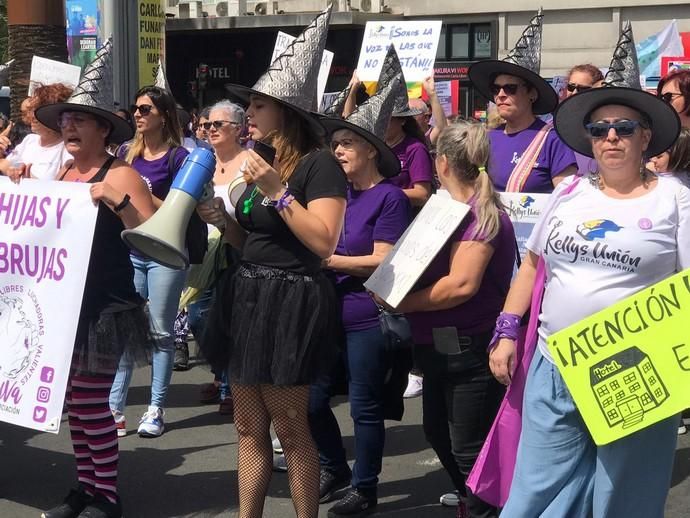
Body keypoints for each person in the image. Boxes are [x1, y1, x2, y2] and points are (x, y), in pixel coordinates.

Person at [489, 22, 686, 517]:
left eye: (624, 129)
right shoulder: (569, 193)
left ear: (646, 138)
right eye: (600, 130)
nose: (611, 138)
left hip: (638, 368)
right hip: (556, 361)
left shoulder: (675, 199)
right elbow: (532, 264)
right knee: (535, 491)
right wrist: (508, 331)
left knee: (623, 495)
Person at [199, 7, 347, 517]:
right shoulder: (262, 162)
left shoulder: (317, 165)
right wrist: (225, 222)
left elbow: (324, 241)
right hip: (249, 292)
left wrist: (278, 191)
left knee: (290, 425)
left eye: (259, 105)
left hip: (293, 297)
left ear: (286, 112)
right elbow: (252, 241)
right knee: (246, 424)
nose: (251, 114)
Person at [34, 40, 155, 518]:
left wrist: (116, 200)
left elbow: (151, 238)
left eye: (78, 119)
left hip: (106, 305)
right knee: (73, 405)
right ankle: (87, 487)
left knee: (88, 403)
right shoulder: (63, 171)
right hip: (67, 305)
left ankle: (105, 494)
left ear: (103, 128)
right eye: (65, 120)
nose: (68, 126)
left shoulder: (121, 174)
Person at [377, 120, 514, 518]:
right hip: (436, 345)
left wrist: (401, 303)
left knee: (469, 450)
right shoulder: (445, 210)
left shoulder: (480, 215)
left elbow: (461, 286)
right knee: (439, 435)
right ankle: (474, 506)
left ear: (442, 164)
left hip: (470, 346)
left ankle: (487, 510)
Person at [311, 75, 411, 516]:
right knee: (311, 400)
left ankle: (365, 487)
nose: (339, 150)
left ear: (372, 150)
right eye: (336, 144)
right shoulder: (333, 194)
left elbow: (380, 259)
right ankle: (335, 467)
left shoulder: (390, 197)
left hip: (364, 313)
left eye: (348, 142)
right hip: (324, 311)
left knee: (364, 406)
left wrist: (328, 261)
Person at [108, 85, 189, 438]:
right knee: (125, 333)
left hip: (165, 255)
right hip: (130, 252)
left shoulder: (179, 158)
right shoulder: (126, 153)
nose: (137, 115)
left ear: (163, 116)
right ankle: (114, 408)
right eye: (135, 109)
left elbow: (179, 212)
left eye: (145, 109)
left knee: (160, 333)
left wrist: (138, 196)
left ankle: (155, 408)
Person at [178, 100, 248, 416]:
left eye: (217, 125)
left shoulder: (251, 163)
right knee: (198, 318)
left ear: (238, 129)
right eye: (206, 125)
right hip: (202, 251)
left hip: (237, 250)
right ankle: (222, 371)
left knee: (231, 320)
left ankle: (229, 384)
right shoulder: (199, 160)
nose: (209, 130)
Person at [468, 9, 577, 193]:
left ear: (532, 94)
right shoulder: (486, 138)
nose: (501, 94)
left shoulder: (552, 139)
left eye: (510, 88)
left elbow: (566, 200)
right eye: (496, 89)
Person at [0, 83, 74, 180]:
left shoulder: (66, 149)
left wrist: (26, 177)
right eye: (30, 110)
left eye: (36, 111)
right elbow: (4, 165)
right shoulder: (30, 140)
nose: (30, 116)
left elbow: (67, 187)